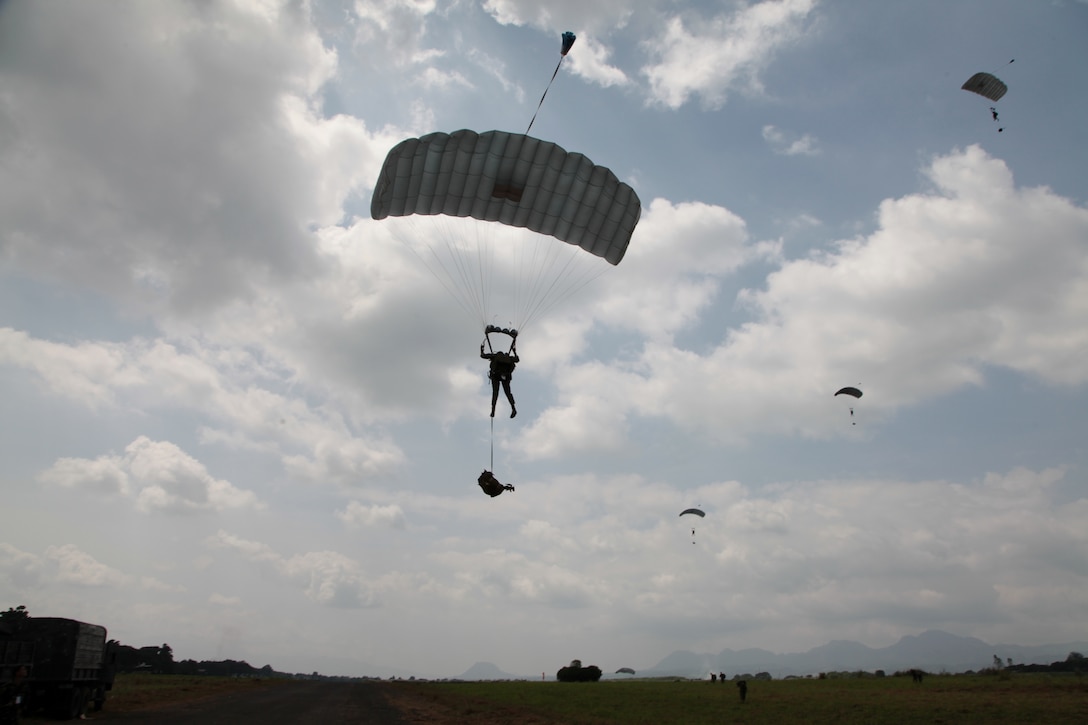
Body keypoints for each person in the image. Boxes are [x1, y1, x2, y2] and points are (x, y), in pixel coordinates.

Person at [480, 342, 519, 418]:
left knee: (495, 393)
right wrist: (514, 351)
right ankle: (513, 408)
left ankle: (493, 410)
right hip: (506, 376)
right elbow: (517, 359)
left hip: (496, 376)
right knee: (508, 393)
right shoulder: (509, 358)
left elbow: (483, 355)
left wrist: (481, 349)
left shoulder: (494, 356)